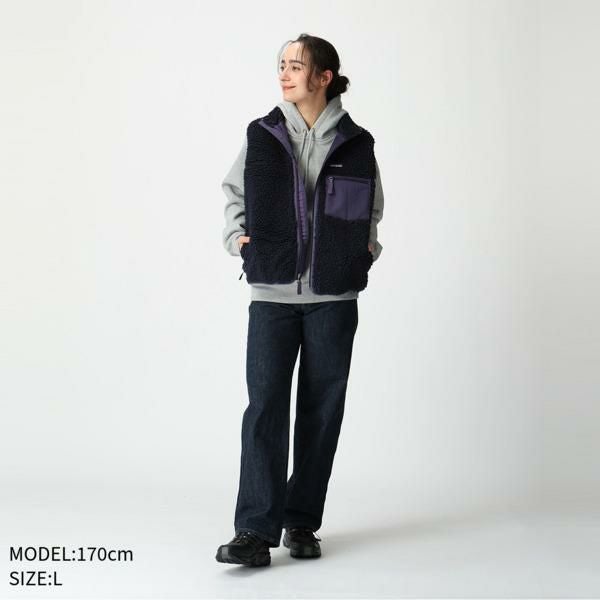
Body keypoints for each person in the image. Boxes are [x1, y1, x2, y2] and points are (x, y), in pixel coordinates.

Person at [216, 33, 384, 567]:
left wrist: (365, 251)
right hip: (272, 292)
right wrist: (239, 240)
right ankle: (253, 530)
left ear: (324, 77)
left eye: (296, 65)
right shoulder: (263, 134)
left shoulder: (357, 142)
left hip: (334, 295)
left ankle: (302, 522)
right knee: (264, 407)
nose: (284, 74)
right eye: (282, 65)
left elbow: (370, 208)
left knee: (321, 410)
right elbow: (234, 192)